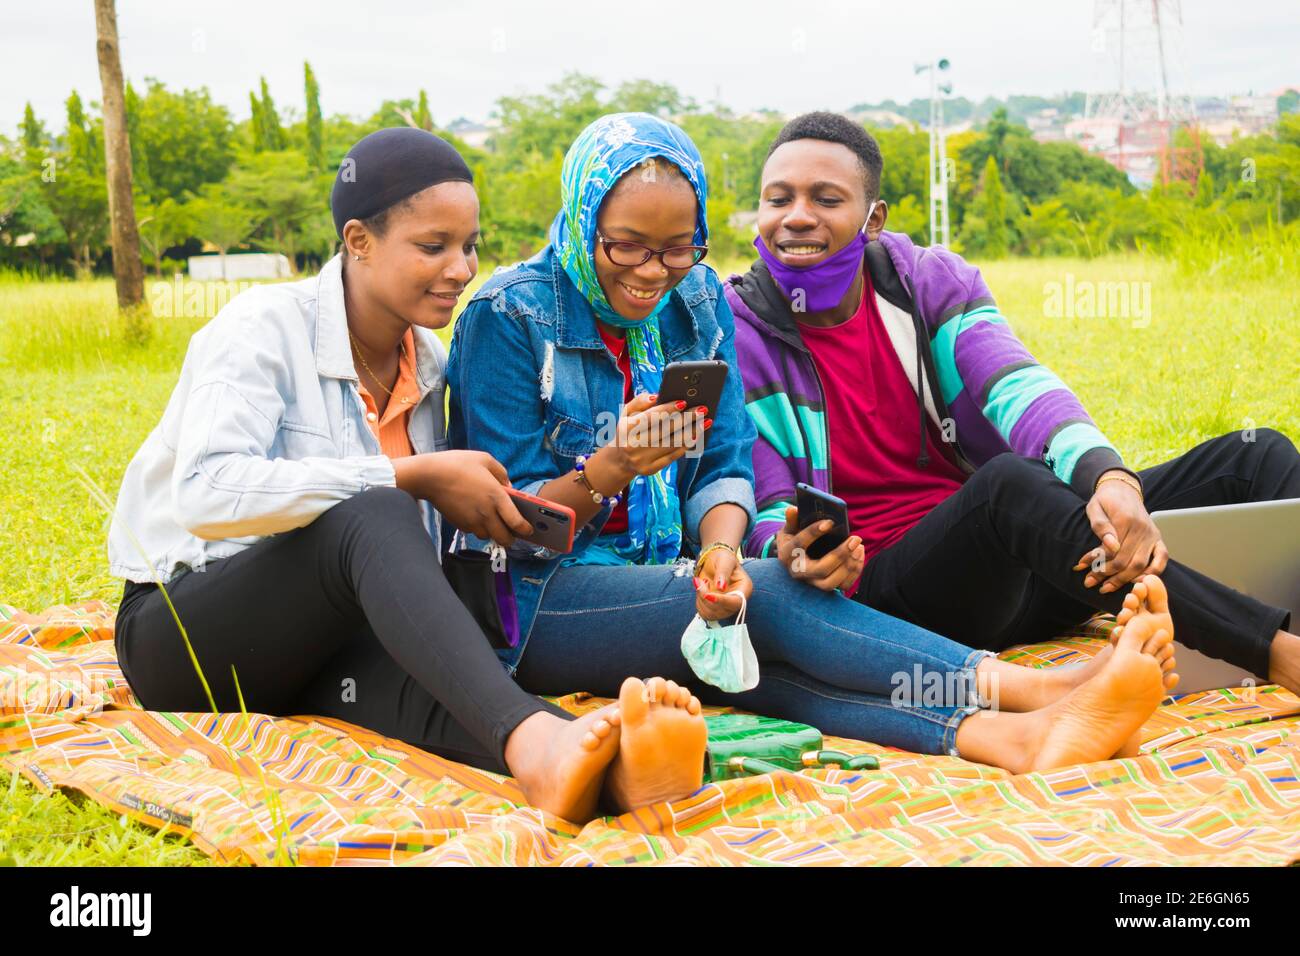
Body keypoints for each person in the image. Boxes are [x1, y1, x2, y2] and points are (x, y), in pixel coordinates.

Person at [447, 111, 1182, 775]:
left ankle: (1003, 738)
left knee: (756, 650)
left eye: (677, 248)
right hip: (538, 603)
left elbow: (726, 461)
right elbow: (511, 526)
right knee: (770, 599)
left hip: (661, 575)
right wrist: (615, 466)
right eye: (627, 247)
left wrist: (723, 552)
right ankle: (1033, 688)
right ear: (582, 221)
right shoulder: (509, 317)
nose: (652, 273)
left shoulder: (695, 299)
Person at [107, 127, 710, 824]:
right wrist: (408, 475)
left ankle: (590, 763)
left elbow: (402, 562)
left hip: (318, 643)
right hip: (187, 639)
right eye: (434, 246)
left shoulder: (429, 364)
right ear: (358, 240)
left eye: (470, 246)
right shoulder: (263, 327)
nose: (460, 268)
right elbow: (205, 492)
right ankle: (554, 744)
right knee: (375, 510)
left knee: (454, 683)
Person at [726, 111, 1300, 694]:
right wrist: (791, 553)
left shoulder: (928, 283)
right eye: (778, 199)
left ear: (873, 219)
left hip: (1039, 565)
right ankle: (1274, 653)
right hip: (898, 596)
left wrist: (1111, 479)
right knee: (1011, 488)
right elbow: (761, 498)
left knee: (1257, 458)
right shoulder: (734, 331)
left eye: (825, 199)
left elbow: (1017, 386)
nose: (797, 217)